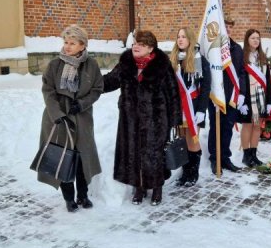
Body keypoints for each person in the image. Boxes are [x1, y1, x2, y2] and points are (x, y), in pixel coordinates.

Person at [103, 30, 181, 205]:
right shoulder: (126, 64)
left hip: (156, 119)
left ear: (150, 48)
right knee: (135, 153)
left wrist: (176, 120)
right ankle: (139, 187)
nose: (136, 47)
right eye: (135, 44)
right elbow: (110, 81)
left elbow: (173, 93)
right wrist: (90, 83)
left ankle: (157, 188)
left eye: (141, 44)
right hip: (130, 120)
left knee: (154, 154)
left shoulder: (162, 65)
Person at [38, 25, 104, 213]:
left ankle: (83, 195)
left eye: (72, 43)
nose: (67, 46)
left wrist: (81, 104)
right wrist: (58, 115)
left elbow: (97, 89)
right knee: (63, 158)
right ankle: (68, 199)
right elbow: (48, 91)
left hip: (81, 118)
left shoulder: (91, 65)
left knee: (83, 158)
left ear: (82, 45)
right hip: (58, 118)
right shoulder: (54, 65)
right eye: (66, 42)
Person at [170, 27, 210, 187]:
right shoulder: (173, 59)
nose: (180, 40)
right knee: (181, 140)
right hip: (178, 107)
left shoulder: (200, 60)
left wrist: (202, 110)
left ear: (190, 39)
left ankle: (193, 174)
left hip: (194, 107)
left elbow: (206, 87)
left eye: (184, 37)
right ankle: (185, 173)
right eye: (178, 36)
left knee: (192, 139)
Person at [207, 16, 246, 173]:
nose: (228, 29)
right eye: (225, 27)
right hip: (216, 96)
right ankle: (214, 158)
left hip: (231, 96)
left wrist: (241, 92)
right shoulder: (213, 48)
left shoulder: (237, 48)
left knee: (228, 127)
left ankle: (225, 158)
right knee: (215, 127)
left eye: (230, 27)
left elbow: (242, 72)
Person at [238, 29, 271, 167]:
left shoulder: (263, 58)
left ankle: (254, 155)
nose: (256, 40)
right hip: (247, 98)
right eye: (253, 38)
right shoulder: (242, 58)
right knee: (247, 125)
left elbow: (268, 81)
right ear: (247, 40)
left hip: (261, 97)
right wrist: (242, 101)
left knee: (257, 126)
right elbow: (241, 80)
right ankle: (246, 156)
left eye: (258, 38)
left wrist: (269, 101)